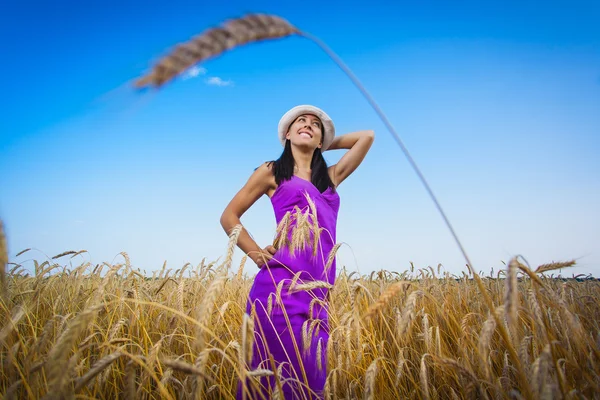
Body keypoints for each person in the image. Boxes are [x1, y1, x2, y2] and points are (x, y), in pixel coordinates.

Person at [220, 105, 374, 399]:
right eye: (299, 122)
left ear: (321, 141)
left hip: (318, 295)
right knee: (265, 379)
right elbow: (229, 216)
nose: (308, 124)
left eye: (314, 124)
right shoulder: (271, 171)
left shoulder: (330, 178)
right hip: (278, 291)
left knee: (311, 381)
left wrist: (323, 139)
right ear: (287, 134)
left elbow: (366, 137)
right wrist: (255, 255)